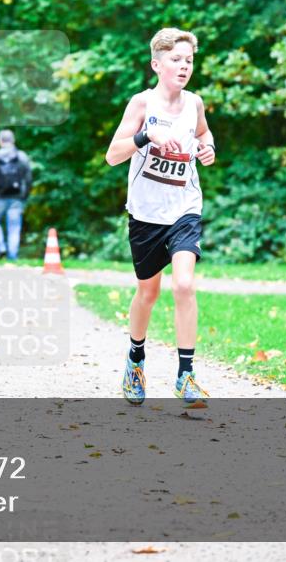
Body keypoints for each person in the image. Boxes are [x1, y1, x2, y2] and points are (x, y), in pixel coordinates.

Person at [104, 27, 217, 409]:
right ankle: (135, 360)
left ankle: (186, 376)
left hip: (185, 207)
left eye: (188, 60)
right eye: (176, 60)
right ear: (157, 64)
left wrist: (207, 148)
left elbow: (204, 134)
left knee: (184, 284)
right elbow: (112, 155)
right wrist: (144, 139)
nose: (184, 66)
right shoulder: (141, 104)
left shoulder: (195, 103)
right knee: (148, 292)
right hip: (146, 214)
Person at [0, 129, 32, 260]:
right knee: (14, 226)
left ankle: (0, 248)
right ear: (13, 140)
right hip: (17, 198)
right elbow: (28, 179)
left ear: (0, 141)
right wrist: (24, 196)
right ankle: (12, 256)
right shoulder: (22, 156)